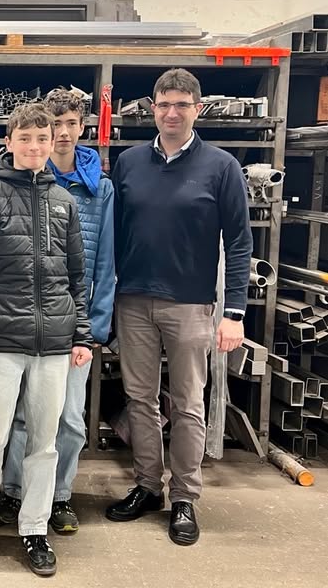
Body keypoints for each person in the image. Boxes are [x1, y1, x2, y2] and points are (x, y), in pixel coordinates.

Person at [106, 68, 251, 546]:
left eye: (182, 105)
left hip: (191, 305)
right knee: (140, 399)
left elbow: (239, 244)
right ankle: (148, 486)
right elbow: (114, 234)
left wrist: (234, 313)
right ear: (153, 109)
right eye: (164, 104)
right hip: (133, 301)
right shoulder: (129, 163)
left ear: (197, 109)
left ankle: (185, 497)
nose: (172, 113)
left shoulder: (221, 167)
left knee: (188, 403)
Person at [0, 102, 93, 577]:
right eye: (25, 138)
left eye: (42, 139)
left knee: (44, 443)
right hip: (1, 344)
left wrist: (81, 334)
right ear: (9, 142)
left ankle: (35, 527)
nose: (34, 147)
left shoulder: (64, 201)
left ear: (53, 144)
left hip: (54, 345)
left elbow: (77, 275)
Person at [0, 89, 115, 534]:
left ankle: (59, 495)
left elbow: (104, 262)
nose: (63, 133)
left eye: (70, 124)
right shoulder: (23, 181)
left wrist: (94, 326)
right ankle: (14, 490)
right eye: (56, 125)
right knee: (24, 414)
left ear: (81, 128)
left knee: (69, 418)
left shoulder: (99, 188)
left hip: (74, 322)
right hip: (26, 320)